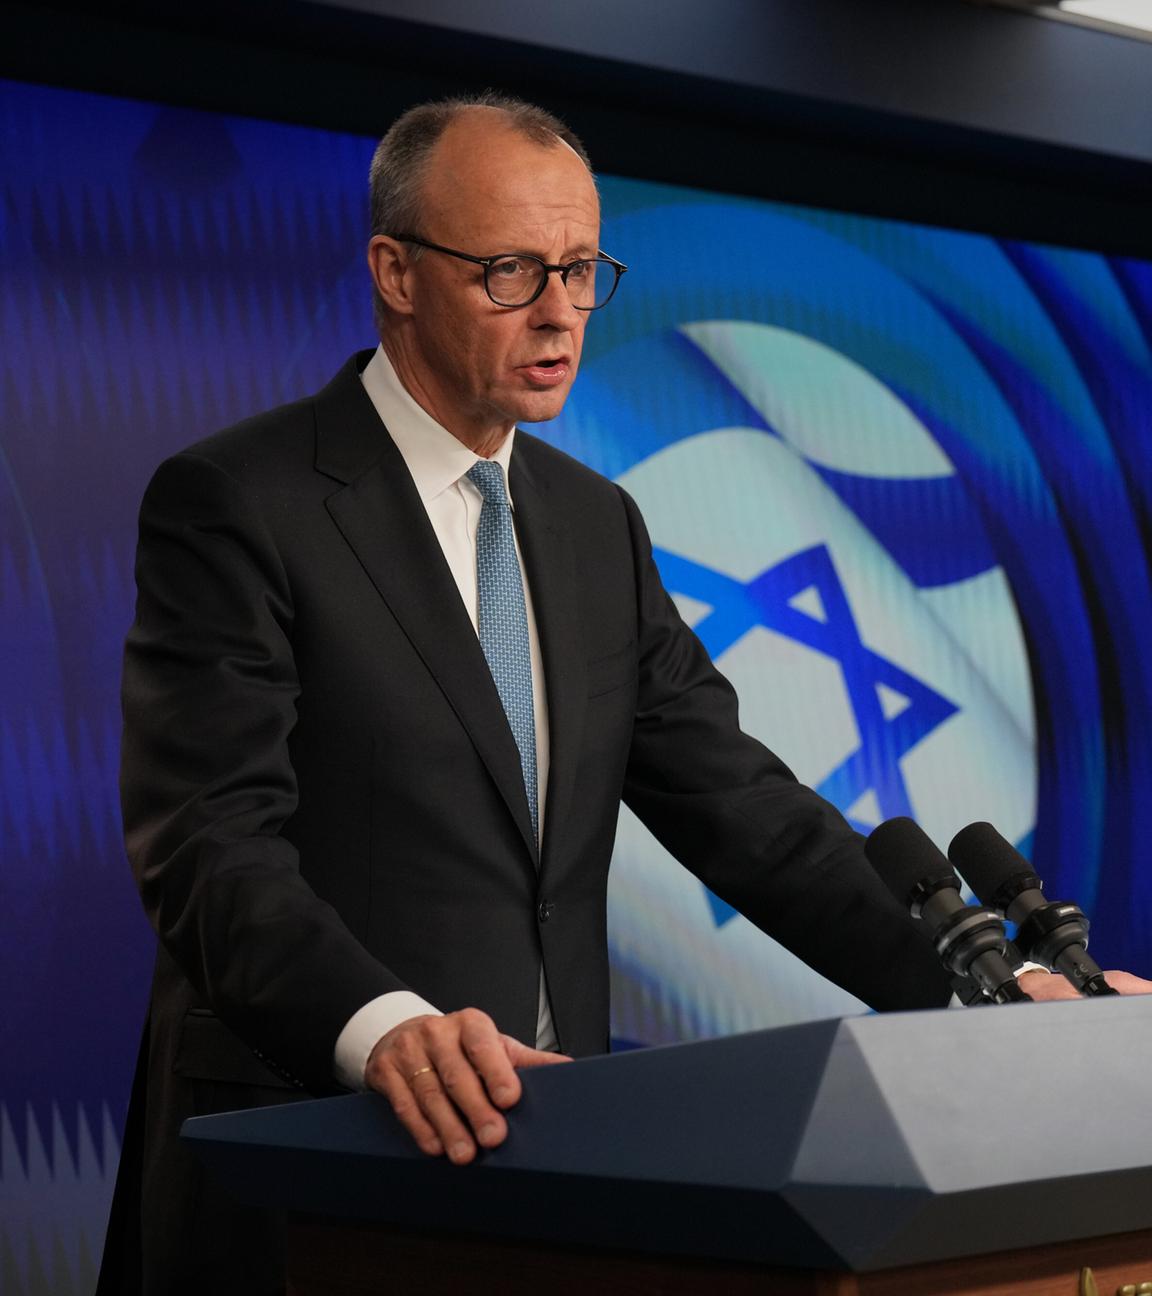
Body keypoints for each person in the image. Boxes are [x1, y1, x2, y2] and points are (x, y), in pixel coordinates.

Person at [99, 92, 1150, 1295]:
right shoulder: (241, 502)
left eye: (582, 268)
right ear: (395, 271)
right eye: (510, 271)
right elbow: (208, 847)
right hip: (309, 1167)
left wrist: (979, 1002)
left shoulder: (594, 526)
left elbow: (747, 812)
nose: (559, 312)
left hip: (558, 1179)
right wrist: (384, 1028)